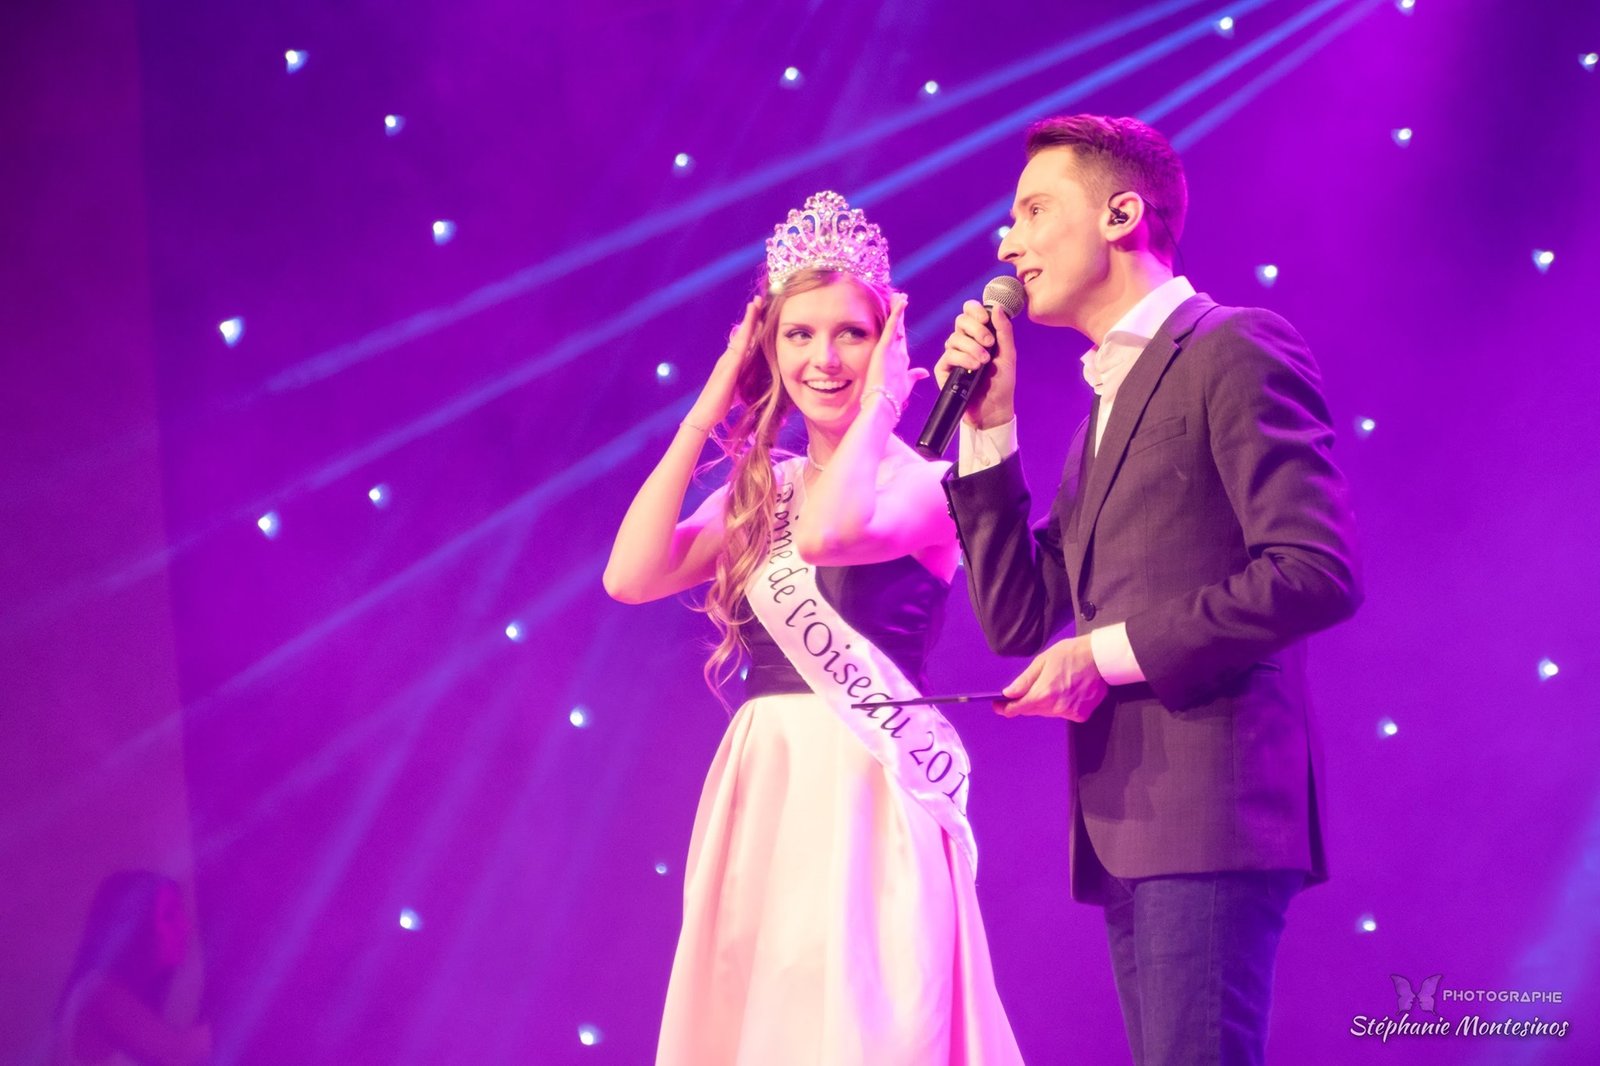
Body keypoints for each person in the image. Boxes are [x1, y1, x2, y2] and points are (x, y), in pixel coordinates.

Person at [936, 115, 1361, 1065]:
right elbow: (1017, 615)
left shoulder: (1233, 346)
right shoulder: (1108, 402)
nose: (1007, 243)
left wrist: (1106, 654)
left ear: (1122, 215)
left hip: (1209, 806)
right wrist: (988, 429)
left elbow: (1316, 569)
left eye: (1033, 211)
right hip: (1132, 820)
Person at [605, 190, 1023, 1065]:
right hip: (768, 780)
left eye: (851, 334)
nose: (823, 359)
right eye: (798, 334)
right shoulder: (765, 487)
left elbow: (832, 533)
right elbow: (630, 576)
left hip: (869, 787)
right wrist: (709, 404)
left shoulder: (926, 484)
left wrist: (883, 407)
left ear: (888, 341)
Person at [53, 870, 211, 1066]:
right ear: (136, 927)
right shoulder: (99, 992)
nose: (185, 925)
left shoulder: (114, 993)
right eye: (169, 915)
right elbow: (180, 1052)